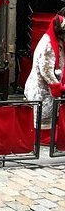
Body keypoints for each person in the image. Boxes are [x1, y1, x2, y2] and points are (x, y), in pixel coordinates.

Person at [25, 9, 65, 141]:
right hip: (42, 90)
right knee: (45, 119)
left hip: (49, 89)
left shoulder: (57, 41)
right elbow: (46, 70)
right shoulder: (48, 44)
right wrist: (57, 87)